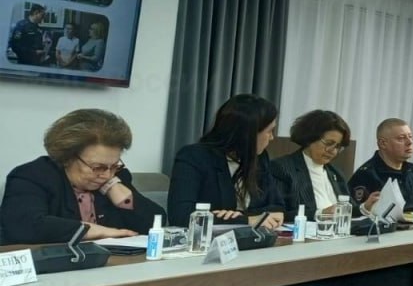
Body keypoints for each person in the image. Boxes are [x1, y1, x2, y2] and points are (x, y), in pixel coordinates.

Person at [1, 109, 166, 243]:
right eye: (98, 167)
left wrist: (125, 200)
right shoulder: (32, 176)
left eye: (114, 165)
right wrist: (97, 231)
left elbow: (155, 224)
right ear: (67, 158)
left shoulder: (117, 176)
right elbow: (24, 225)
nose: (107, 175)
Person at [168, 94, 284, 228]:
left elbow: (276, 206)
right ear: (248, 134)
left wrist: (242, 216)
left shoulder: (260, 158)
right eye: (269, 131)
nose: (272, 137)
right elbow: (181, 216)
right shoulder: (194, 157)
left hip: (250, 238)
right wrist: (247, 220)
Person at [271, 109, 377, 219]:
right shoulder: (282, 168)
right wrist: (321, 213)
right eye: (329, 143)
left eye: (337, 147)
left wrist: (364, 207)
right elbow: (277, 214)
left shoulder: (336, 173)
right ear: (309, 138)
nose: (333, 151)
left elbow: (346, 210)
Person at [348, 118, 413, 212]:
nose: (410, 142)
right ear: (383, 143)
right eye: (401, 138)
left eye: (410, 136)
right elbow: (356, 214)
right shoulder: (366, 175)